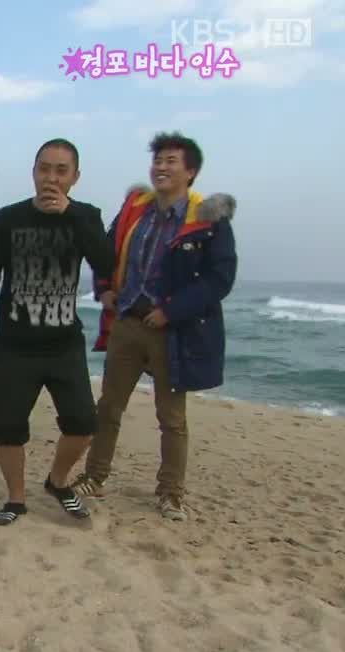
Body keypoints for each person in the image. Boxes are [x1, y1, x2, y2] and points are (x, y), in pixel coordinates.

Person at [73, 132, 238, 522]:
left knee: (172, 418)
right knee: (109, 406)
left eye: (170, 161)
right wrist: (104, 289)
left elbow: (219, 279)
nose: (161, 167)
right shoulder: (136, 210)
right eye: (158, 160)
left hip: (173, 332)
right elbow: (106, 251)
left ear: (190, 172)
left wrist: (171, 311)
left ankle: (170, 494)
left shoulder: (207, 219)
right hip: (128, 322)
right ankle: (94, 477)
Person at [0, 138, 114, 525]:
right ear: (33, 172)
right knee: (9, 429)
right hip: (15, 344)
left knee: (83, 424)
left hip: (64, 343)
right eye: (44, 169)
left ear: (75, 177)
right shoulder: (8, 218)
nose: (51, 178)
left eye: (61, 171)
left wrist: (72, 215)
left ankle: (57, 481)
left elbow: (106, 264)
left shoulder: (86, 216)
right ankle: (16, 500)